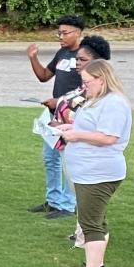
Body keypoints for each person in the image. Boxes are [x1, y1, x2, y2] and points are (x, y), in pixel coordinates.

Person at [56, 59, 132, 267]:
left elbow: (109, 137)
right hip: (87, 170)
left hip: (98, 173)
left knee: (90, 224)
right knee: (96, 220)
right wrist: (71, 129)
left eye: (87, 82)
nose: (84, 86)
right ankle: (96, 264)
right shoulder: (97, 100)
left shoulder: (114, 103)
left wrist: (76, 135)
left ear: (101, 79)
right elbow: (92, 128)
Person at [26, 16, 85, 219]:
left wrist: (59, 102)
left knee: (68, 161)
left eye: (64, 32)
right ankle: (53, 201)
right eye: (58, 33)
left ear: (78, 32)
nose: (60, 36)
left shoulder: (85, 56)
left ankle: (68, 205)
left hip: (71, 117)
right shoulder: (62, 53)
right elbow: (44, 76)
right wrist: (33, 57)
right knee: (50, 159)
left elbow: (86, 88)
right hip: (52, 116)